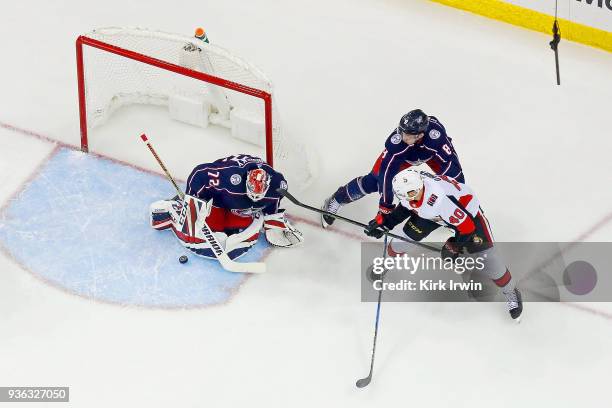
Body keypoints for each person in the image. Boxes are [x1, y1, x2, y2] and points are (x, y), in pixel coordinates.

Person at [365, 169, 522, 321]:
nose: (411, 197)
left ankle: (511, 292)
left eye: (413, 193)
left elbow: (467, 227)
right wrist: (385, 224)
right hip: (434, 214)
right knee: (402, 240)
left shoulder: (437, 200)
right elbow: (406, 207)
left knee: (490, 261)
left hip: (468, 215)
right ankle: (387, 263)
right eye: (408, 195)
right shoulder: (412, 189)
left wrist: (454, 246)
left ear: (420, 186)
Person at [321, 109, 464, 229]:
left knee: (454, 183)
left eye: (408, 135)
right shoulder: (397, 144)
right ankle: (337, 199)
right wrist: (385, 208)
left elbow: (453, 168)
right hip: (405, 156)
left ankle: (448, 214)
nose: (403, 136)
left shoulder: (436, 139)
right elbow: (386, 175)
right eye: (402, 131)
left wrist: (458, 197)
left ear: (420, 135)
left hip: (430, 155)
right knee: (374, 181)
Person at [150, 154, 303, 260]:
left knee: (238, 226)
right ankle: (173, 209)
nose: (255, 198)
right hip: (219, 197)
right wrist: (193, 202)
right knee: (209, 225)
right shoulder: (229, 179)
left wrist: (272, 219)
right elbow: (199, 173)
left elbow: (272, 204)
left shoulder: (278, 184)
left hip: (239, 207)